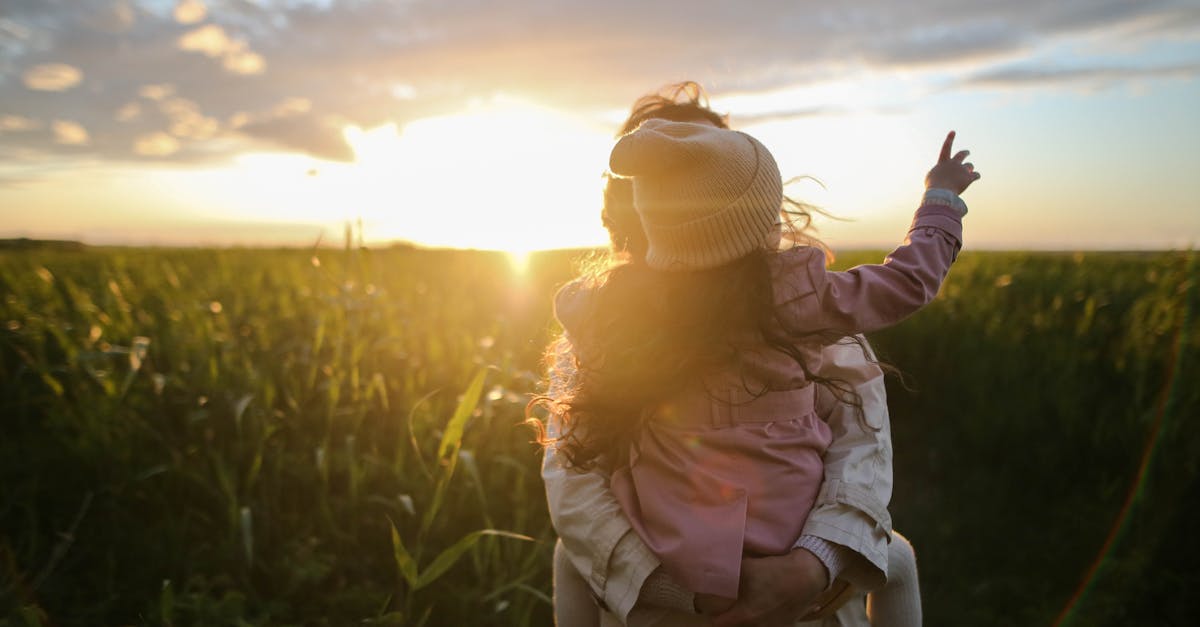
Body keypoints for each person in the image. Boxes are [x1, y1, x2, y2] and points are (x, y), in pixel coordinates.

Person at [536, 82, 976, 626]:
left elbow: (862, 442)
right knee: (899, 558)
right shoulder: (803, 301)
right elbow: (908, 282)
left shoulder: (613, 314)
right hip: (756, 554)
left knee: (568, 556)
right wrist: (941, 202)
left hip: (695, 557)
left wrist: (808, 566)